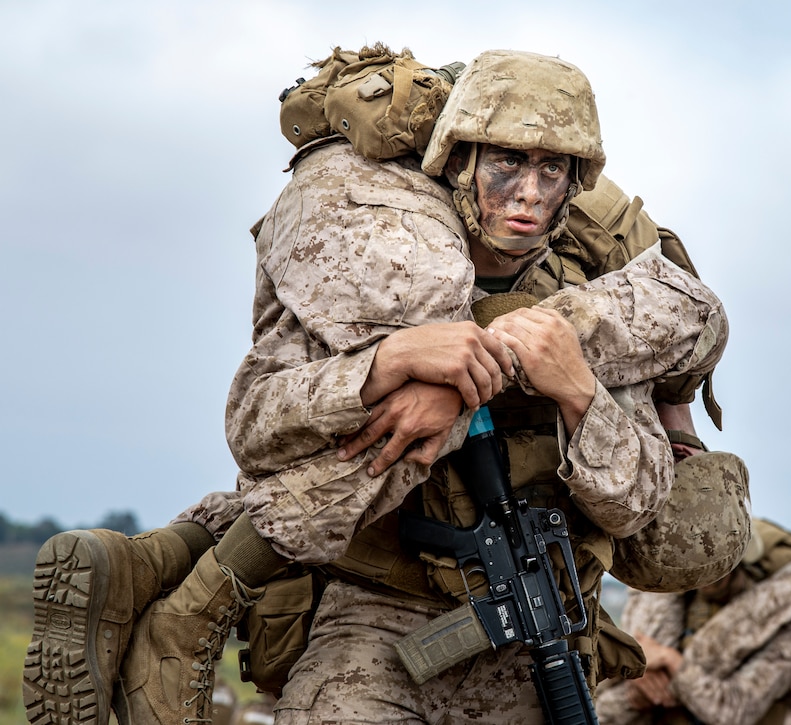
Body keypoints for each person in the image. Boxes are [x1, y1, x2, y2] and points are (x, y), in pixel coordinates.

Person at [24, 47, 731, 725]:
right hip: (369, 617)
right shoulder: (377, 265)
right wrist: (382, 369)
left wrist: (576, 393)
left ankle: (161, 567)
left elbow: (635, 503)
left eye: (555, 169)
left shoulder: (594, 308)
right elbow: (258, 426)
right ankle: (187, 605)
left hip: (530, 641)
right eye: (509, 161)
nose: (531, 191)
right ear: (460, 160)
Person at [596, 517, 791, 725]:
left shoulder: (787, 636)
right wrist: (644, 673)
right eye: (701, 570)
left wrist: (676, 667)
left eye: (720, 572)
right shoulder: (672, 590)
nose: (708, 581)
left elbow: (733, 710)